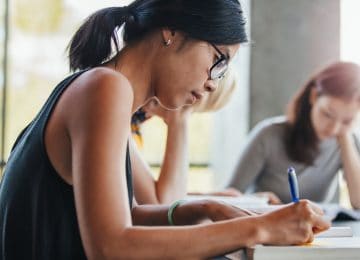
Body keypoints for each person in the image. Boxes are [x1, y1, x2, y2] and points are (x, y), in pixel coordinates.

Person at [0, 1, 330, 259]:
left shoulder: (102, 87)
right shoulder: (105, 88)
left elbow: (128, 214)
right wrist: (258, 227)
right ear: (170, 31)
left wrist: (209, 208)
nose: (214, 84)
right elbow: (111, 246)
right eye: (219, 60)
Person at [228, 62, 360, 208]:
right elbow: (229, 197)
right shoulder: (269, 135)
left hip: (314, 229)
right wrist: (256, 201)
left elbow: (358, 202)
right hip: (267, 225)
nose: (334, 128)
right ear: (314, 96)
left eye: (347, 121)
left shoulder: (347, 142)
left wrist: (345, 140)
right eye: (327, 114)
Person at [131, 70, 242, 205]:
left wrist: (204, 197)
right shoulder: (123, 108)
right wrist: (179, 121)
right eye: (192, 110)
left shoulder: (136, 119)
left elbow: (136, 193)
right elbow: (165, 206)